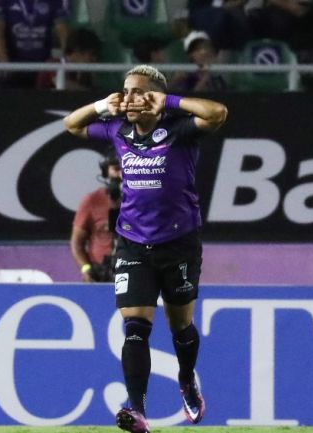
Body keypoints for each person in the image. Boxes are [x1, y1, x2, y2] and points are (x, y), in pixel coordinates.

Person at [63, 65, 227, 431]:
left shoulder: (179, 130)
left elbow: (217, 114)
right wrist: (102, 105)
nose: (128, 98)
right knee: (135, 327)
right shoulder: (117, 129)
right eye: (125, 90)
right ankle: (136, 410)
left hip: (179, 243)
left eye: (137, 92)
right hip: (133, 243)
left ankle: (187, 380)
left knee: (181, 328)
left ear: (153, 96)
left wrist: (168, 101)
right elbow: (72, 125)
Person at [0, 0, 69, 88]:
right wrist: (3, 60)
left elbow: (62, 31)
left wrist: (66, 59)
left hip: (42, 65)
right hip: (12, 63)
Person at [70, 151, 121, 283]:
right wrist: (86, 268)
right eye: (116, 169)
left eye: (126, 169)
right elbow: (77, 243)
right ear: (106, 172)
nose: (121, 174)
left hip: (135, 274)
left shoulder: (146, 201)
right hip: (100, 274)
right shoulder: (92, 201)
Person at [36, 26, 102, 90]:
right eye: (91, 54)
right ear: (77, 50)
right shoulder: (53, 63)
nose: (94, 58)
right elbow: (62, 84)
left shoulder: (84, 73)